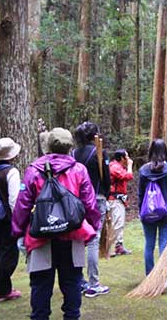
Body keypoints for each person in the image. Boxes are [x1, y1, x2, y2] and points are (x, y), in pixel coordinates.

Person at [12, 128, 101, 320]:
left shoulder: (34, 170)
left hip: (41, 236)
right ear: (70, 146)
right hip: (73, 235)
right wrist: (94, 225)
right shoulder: (79, 170)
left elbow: (23, 204)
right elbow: (90, 203)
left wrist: (18, 232)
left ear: (49, 145)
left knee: (41, 284)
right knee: (72, 283)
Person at [73, 122, 111, 298]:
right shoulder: (98, 152)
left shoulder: (74, 153)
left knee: (79, 239)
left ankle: (79, 280)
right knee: (93, 239)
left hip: (77, 199)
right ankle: (94, 283)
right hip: (96, 198)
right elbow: (106, 177)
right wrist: (106, 193)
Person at [138, 140, 167, 284]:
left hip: (147, 214)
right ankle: (162, 278)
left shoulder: (144, 170)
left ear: (151, 151)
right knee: (164, 245)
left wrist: (141, 211)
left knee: (149, 244)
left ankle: (150, 276)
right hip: (166, 213)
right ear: (165, 151)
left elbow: (140, 194)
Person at [0, 138, 22, 302]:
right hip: (7, 218)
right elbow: (14, 200)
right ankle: (3, 291)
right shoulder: (11, 172)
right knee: (8, 252)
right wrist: (18, 219)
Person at [109, 149, 134, 255]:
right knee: (117, 223)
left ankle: (118, 246)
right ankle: (114, 247)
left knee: (118, 222)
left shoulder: (116, 167)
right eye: (126, 156)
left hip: (118, 199)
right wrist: (130, 165)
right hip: (115, 200)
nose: (128, 159)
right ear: (122, 158)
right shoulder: (115, 167)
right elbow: (128, 176)